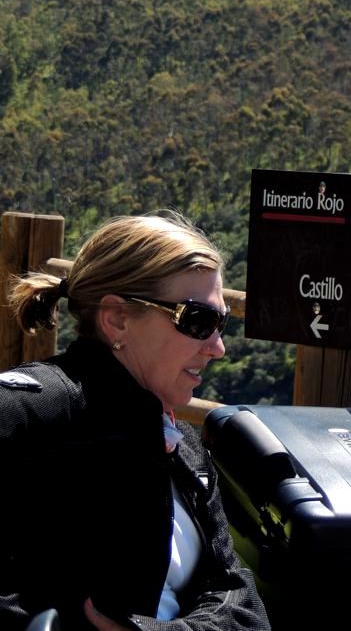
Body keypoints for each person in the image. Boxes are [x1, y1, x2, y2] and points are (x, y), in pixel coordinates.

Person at [0, 212, 270, 631]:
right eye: (197, 321)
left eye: (221, 323)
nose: (217, 347)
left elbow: (241, 602)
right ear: (116, 319)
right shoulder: (22, 414)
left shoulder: (184, 449)